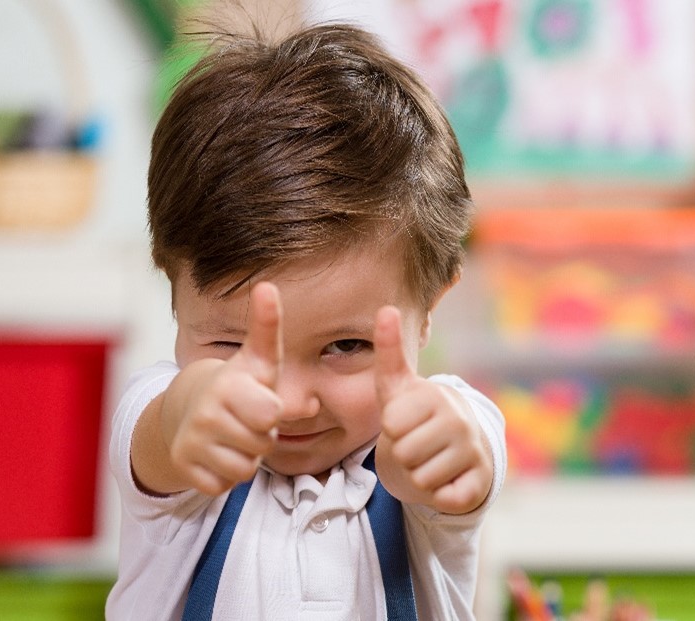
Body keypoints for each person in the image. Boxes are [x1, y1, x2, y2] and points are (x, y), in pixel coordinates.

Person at [104, 24, 504, 620]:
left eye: (346, 345)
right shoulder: (167, 432)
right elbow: (170, 427)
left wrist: (438, 452)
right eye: (230, 344)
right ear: (173, 293)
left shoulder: (434, 421)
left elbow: (447, 459)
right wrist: (200, 407)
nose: (289, 403)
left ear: (431, 310)